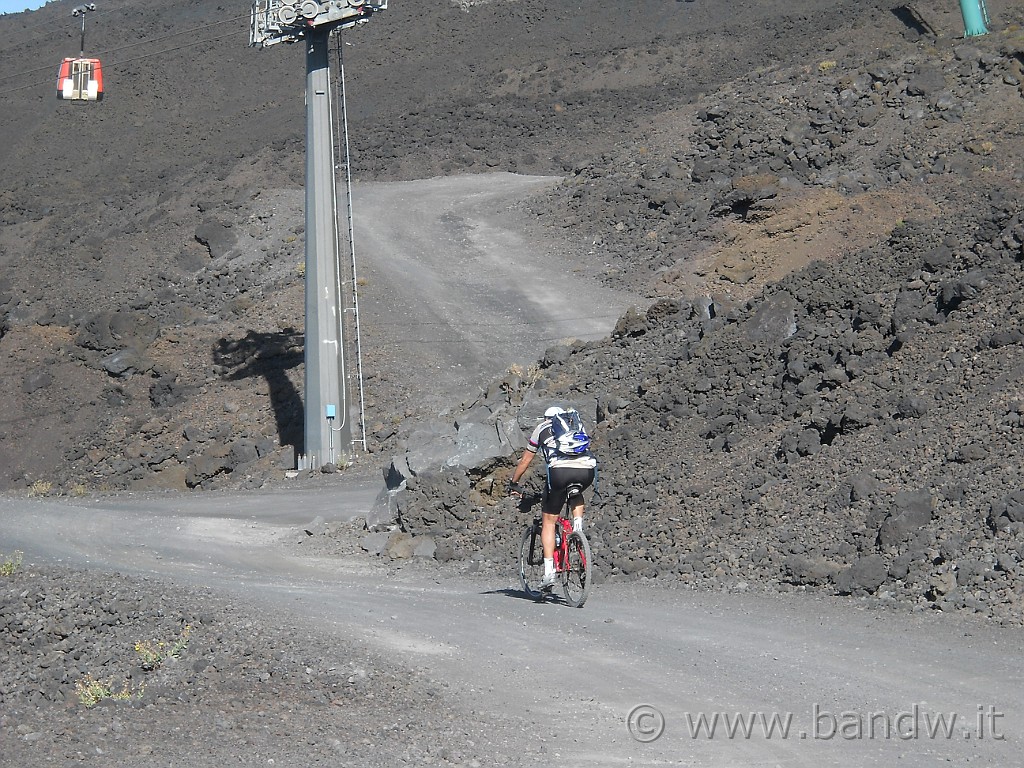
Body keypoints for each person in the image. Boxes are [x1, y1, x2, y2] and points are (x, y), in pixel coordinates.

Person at [508, 406, 597, 589]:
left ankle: (549, 572)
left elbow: (525, 460)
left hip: (559, 473)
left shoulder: (541, 428)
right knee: (576, 491)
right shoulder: (575, 426)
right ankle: (578, 529)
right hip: (587, 471)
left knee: (548, 521)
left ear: (546, 418)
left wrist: (514, 482)